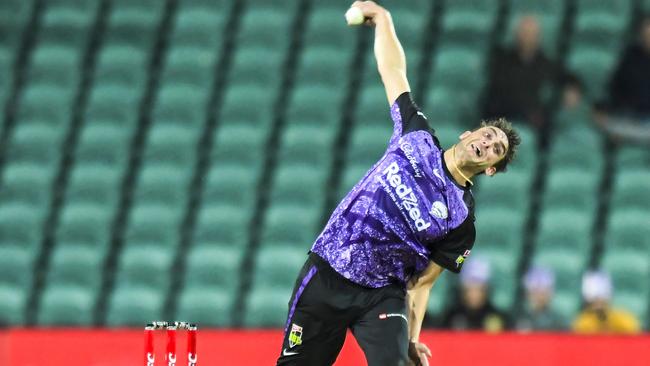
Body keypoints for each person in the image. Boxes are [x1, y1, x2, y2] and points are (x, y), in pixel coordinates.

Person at [276, 2, 521, 365]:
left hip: (381, 294)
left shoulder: (460, 221)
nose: (487, 143)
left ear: (491, 169)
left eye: (496, 149)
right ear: (469, 133)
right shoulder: (416, 137)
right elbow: (394, 71)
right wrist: (383, 20)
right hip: (328, 268)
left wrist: (412, 339)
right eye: (487, 135)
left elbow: (423, 285)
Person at [482, 16, 580, 129]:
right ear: (517, 35)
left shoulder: (544, 63)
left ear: (538, 37)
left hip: (534, 120)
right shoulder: (502, 60)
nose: (527, 38)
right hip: (505, 115)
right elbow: (499, 93)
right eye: (524, 33)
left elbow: (565, 76)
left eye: (532, 34)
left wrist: (572, 87)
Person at [593, 18, 650, 143]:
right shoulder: (629, 56)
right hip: (628, 118)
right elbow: (614, 87)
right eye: (646, 33)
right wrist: (602, 108)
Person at [439, 257, 509, 332]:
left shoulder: (497, 317)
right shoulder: (451, 316)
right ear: (463, 291)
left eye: (478, 289)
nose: (473, 295)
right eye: (469, 289)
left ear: (486, 290)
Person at [572, 270, 641, 334]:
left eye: (601, 298)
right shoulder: (583, 322)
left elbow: (633, 331)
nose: (598, 301)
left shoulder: (622, 318)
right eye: (594, 298)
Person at [515, 266, 567, 331]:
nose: (539, 296)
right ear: (527, 293)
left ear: (551, 293)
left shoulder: (559, 322)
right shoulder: (516, 318)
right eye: (535, 290)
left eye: (544, 291)